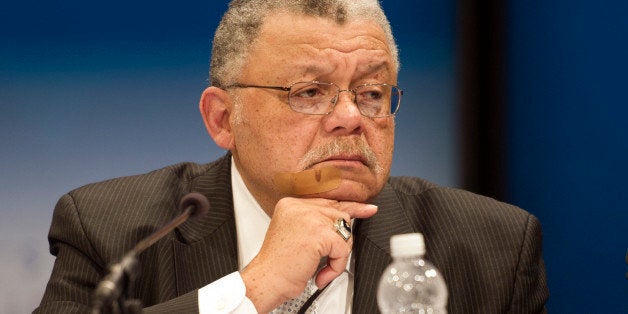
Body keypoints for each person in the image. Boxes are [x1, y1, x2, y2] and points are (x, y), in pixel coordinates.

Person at [35, 0, 548, 313]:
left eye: (371, 93)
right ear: (222, 119)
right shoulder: (112, 230)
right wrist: (250, 290)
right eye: (308, 92)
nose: (350, 117)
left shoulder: (493, 249)